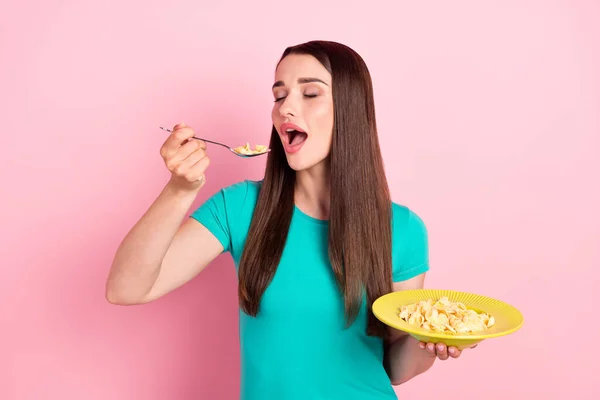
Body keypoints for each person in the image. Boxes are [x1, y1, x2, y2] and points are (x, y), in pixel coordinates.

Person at [106, 40, 474, 400]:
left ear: (351, 109)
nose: (285, 109)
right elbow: (127, 288)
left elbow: (395, 368)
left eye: (310, 94)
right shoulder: (241, 208)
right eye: (279, 96)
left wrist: (433, 343)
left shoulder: (404, 230)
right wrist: (180, 190)